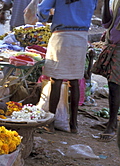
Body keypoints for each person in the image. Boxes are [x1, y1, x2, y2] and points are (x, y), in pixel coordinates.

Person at [37, 0, 97, 134]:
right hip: (81, 37)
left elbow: (42, 10)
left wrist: (46, 18)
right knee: (75, 81)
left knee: (56, 80)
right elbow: (92, 9)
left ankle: (51, 123)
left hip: (61, 36)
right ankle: (74, 124)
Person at [92, 0, 120, 142]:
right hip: (114, 45)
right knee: (112, 85)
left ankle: (112, 124)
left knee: (115, 87)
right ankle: (112, 121)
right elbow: (107, 23)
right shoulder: (115, 2)